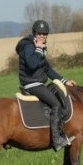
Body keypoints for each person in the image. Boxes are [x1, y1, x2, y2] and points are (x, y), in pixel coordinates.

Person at [16, 20, 76, 151]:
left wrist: (64, 81)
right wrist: (38, 48)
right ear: (34, 33)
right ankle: (57, 140)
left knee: (57, 93)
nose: (42, 36)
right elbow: (32, 64)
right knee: (56, 104)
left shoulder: (40, 47)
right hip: (31, 83)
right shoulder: (28, 46)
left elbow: (48, 69)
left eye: (45, 34)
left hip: (38, 82)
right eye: (40, 33)